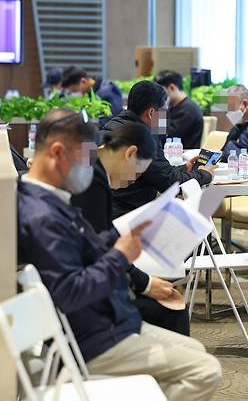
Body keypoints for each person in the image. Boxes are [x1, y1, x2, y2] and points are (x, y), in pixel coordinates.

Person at [17, 108, 222, 401]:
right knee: (204, 371)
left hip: (106, 323)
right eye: (86, 157)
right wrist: (120, 256)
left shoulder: (51, 201)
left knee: (195, 353)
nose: (90, 167)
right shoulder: (43, 216)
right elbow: (69, 291)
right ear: (58, 153)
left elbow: (91, 251)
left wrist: (123, 249)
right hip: (94, 339)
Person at [71, 122, 190, 335]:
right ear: (130, 153)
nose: (131, 181)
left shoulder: (87, 163)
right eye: (137, 172)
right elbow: (99, 248)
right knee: (172, 307)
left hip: (85, 278)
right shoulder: (90, 179)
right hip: (86, 295)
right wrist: (144, 283)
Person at [103, 80, 214, 217]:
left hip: (106, 210)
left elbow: (156, 173)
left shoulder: (113, 125)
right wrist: (204, 174)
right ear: (151, 113)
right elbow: (169, 183)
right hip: (131, 214)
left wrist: (184, 168)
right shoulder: (143, 137)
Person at [156, 70, 204, 149]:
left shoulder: (188, 109)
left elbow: (163, 137)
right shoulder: (174, 106)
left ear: (172, 87)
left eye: (161, 92)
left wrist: (160, 108)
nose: (159, 96)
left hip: (182, 156)